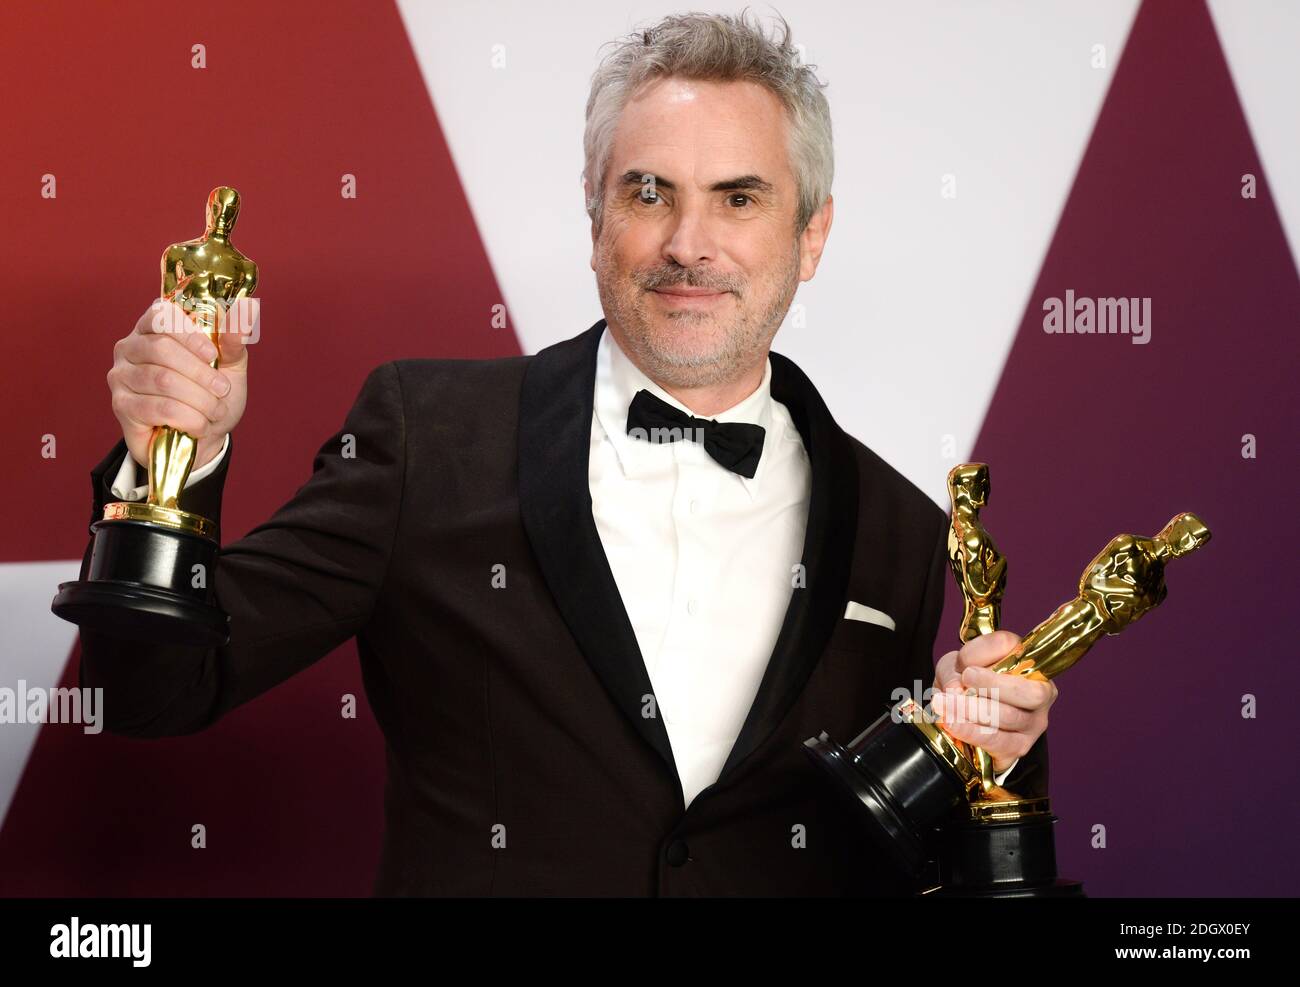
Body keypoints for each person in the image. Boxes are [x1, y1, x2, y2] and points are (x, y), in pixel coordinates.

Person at [81, 10, 1053, 896]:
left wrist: (997, 760)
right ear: (594, 215)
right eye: (648, 192)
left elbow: (884, 856)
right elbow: (154, 690)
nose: (688, 243)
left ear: (811, 235)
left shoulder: (903, 531)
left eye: (739, 199)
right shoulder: (428, 437)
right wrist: (175, 462)